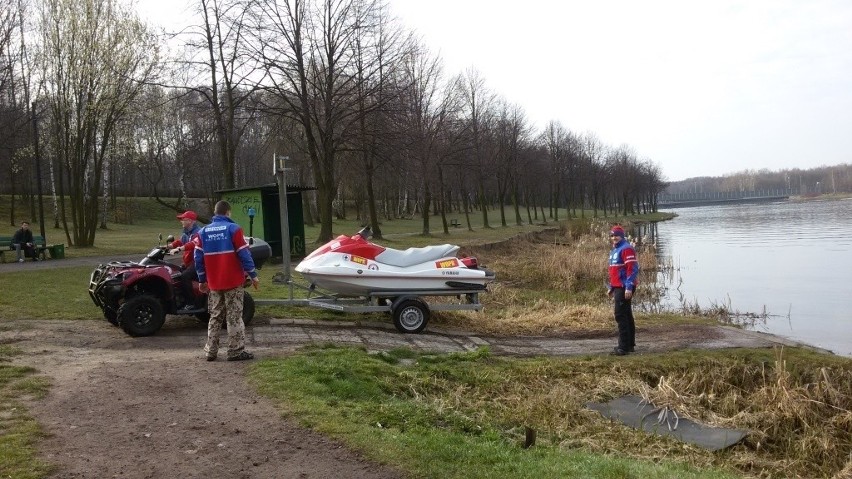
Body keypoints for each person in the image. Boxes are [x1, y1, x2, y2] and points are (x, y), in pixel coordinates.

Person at [193, 201, 259, 362]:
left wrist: (202, 280)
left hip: (214, 282)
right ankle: (235, 351)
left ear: (215, 213)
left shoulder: (202, 232)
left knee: (215, 315)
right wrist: (253, 274)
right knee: (234, 316)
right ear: (228, 212)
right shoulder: (234, 229)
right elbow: (244, 254)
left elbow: (198, 259)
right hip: (233, 281)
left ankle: (211, 351)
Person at [606, 225, 639, 356]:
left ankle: (623, 347)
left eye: (616, 235)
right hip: (618, 286)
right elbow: (615, 271)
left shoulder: (627, 249)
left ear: (622, 236)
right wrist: (612, 287)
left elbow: (632, 268)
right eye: (612, 235)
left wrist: (629, 286)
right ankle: (629, 344)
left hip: (625, 286)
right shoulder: (614, 250)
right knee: (626, 314)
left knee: (620, 315)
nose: (614, 237)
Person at [168, 210, 202, 312]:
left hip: (198, 262)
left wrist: (178, 249)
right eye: (181, 219)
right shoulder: (186, 233)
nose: (181, 221)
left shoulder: (197, 233)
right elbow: (180, 241)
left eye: (184, 219)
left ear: (191, 221)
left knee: (184, 276)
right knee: (175, 272)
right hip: (189, 262)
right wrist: (167, 246)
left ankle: (191, 303)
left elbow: (192, 244)